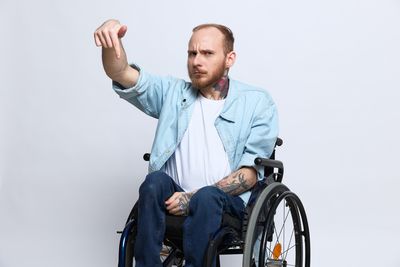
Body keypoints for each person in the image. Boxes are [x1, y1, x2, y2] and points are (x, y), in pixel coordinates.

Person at [94, 19, 279, 267]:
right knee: (153, 182)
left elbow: (249, 175)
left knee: (206, 198)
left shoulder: (257, 102)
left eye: (207, 53)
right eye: (192, 53)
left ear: (229, 58)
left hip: (227, 206)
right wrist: (111, 42)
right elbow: (121, 72)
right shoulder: (172, 93)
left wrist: (192, 198)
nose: (196, 61)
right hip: (172, 195)